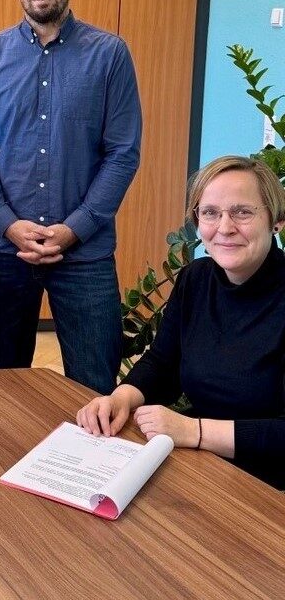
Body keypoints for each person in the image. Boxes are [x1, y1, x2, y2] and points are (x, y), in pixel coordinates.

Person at [0, 0, 142, 395]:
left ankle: (91, 469)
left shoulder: (110, 55)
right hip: (5, 251)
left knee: (94, 385)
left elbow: (122, 154)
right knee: (7, 384)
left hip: (85, 253)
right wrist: (8, 224)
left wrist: (74, 228)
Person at [76, 155, 285, 490]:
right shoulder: (196, 279)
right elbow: (164, 362)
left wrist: (195, 431)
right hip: (204, 466)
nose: (225, 227)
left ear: (276, 220)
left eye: (243, 212)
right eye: (210, 213)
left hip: (269, 489)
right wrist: (122, 398)